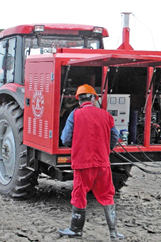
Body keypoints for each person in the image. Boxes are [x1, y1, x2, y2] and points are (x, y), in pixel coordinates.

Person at [59, 84, 124, 241]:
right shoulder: (106, 115)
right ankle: (114, 233)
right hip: (103, 163)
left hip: (83, 163)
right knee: (107, 195)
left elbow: (66, 138)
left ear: (79, 100)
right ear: (94, 98)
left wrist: (76, 145)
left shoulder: (75, 115)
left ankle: (75, 230)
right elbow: (114, 136)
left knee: (80, 194)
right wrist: (105, 149)